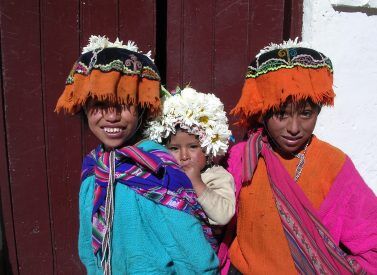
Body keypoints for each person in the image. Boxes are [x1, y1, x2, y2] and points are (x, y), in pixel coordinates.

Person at [55, 35, 219, 275]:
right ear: (84, 107)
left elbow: (195, 257)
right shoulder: (94, 169)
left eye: (125, 104)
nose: (112, 117)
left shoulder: (158, 168)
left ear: (142, 107)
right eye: (100, 104)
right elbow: (88, 249)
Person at [219, 39, 377, 274]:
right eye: (281, 114)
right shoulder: (242, 157)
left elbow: (369, 238)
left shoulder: (333, 164)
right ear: (263, 113)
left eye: (306, 114)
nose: (294, 128)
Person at [145, 87, 235, 227]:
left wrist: (197, 183)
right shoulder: (162, 174)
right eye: (174, 148)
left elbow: (223, 216)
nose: (184, 156)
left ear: (207, 147)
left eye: (193, 147)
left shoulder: (216, 176)